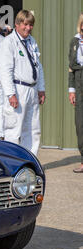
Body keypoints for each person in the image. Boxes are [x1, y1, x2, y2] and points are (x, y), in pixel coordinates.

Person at [0, 10, 46, 156]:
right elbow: (5, 70)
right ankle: (12, 161)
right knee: (14, 128)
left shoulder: (32, 41)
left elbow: (38, 66)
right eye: (25, 24)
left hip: (32, 89)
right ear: (17, 24)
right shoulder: (8, 42)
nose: (28, 28)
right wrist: (10, 94)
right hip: (18, 89)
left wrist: (41, 88)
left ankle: (30, 161)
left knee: (33, 129)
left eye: (31, 25)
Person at [68, 13, 83, 173]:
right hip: (79, 85)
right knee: (80, 125)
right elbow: (71, 69)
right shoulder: (74, 41)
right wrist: (71, 90)